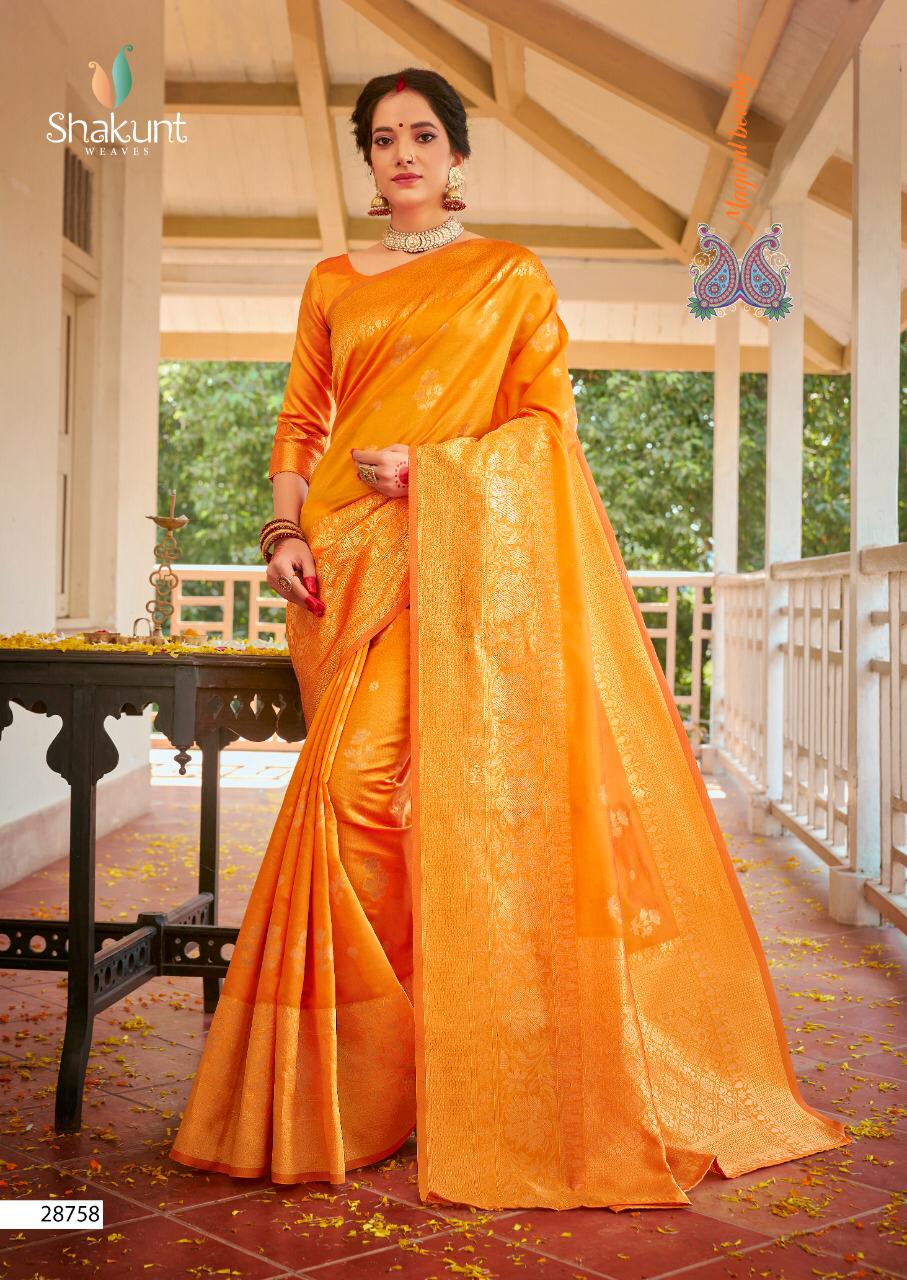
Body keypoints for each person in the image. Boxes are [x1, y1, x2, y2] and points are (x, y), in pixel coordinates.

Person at [168, 67, 851, 1212]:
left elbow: (544, 428)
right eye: (381, 138)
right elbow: (298, 417)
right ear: (367, 159)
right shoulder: (332, 279)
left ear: (456, 155)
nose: (401, 153)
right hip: (345, 563)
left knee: (412, 798)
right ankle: (382, 1069)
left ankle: (437, 1062)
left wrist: (431, 471)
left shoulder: (509, 275)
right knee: (358, 796)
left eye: (420, 134)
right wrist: (282, 527)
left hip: (462, 566)